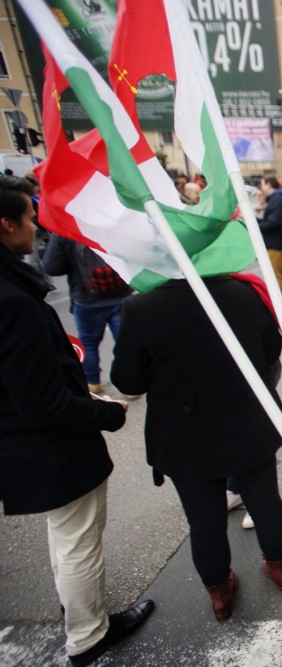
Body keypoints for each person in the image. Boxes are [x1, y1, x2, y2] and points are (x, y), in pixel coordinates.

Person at [0, 175, 153, 666]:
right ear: (6, 225)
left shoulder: (12, 288)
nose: (36, 227)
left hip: (30, 442)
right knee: (78, 541)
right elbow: (43, 404)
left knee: (66, 536)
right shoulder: (12, 302)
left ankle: (81, 613)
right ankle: (88, 634)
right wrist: (106, 412)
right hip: (49, 448)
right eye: (29, 218)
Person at [110, 275, 282, 621]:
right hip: (246, 418)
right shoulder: (243, 292)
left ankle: (220, 594)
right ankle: (279, 569)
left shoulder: (141, 306)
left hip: (186, 430)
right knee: (265, 501)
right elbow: (271, 350)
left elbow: (128, 379)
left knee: (204, 520)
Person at [43, 234, 134, 394]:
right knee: (125, 340)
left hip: (86, 297)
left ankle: (93, 382)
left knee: (88, 342)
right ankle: (131, 386)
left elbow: (52, 266)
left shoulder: (65, 228)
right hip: (121, 294)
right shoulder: (108, 221)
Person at [259, 176, 282, 312]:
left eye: (263, 184)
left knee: (276, 275)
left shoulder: (276, 199)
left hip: (276, 243)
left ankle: (279, 305)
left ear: (269, 184)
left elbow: (274, 222)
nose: (262, 188)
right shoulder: (280, 198)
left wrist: (257, 226)